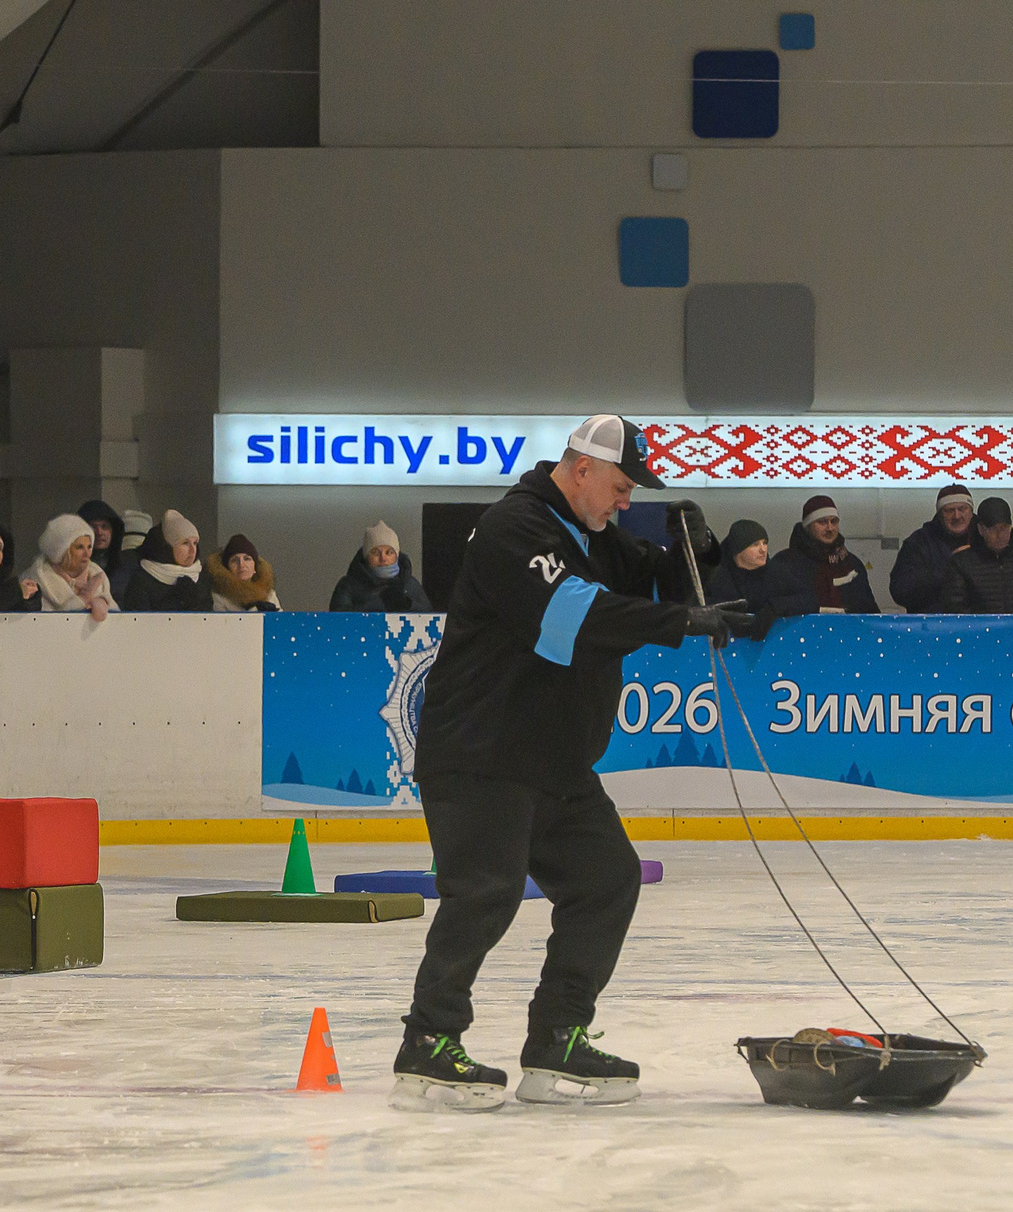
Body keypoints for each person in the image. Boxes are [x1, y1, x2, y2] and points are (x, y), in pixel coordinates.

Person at [393, 413, 746, 1113]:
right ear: (580, 468)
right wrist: (678, 626)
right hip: (482, 755)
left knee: (607, 878)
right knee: (486, 892)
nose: (625, 502)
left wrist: (691, 548)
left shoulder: (594, 537)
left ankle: (557, 1034)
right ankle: (428, 1043)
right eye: (619, 487)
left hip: (553, 763)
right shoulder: (513, 529)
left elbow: (652, 583)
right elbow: (571, 617)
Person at [938, 497, 1013, 613]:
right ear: (981, 529)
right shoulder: (961, 563)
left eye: (1004, 528)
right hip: (978, 632)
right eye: (993, 529)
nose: (1000, 534)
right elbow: (955, 607)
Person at [772, 494, 879, 612]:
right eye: (822, 522)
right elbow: (775, 607)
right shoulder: (785, 564)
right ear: (808, 526)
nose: (830, 528)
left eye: (834, 521)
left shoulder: (852, 564)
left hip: (847, 629)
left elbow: (868, 609)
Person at [889, 483, 975, 612]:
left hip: (979, 625)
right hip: (931, 626)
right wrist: (950, 568)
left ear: (971, 512)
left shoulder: (987, 539)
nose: (957, 516)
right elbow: (900, 590)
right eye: (949, 510)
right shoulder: (918, 543)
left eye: (962, 509)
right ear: (940, 514)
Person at [125, 510, 216, 612]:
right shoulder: (142, 580)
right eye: (185, 543)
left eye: (195, 543)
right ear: (168, 546)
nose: (192, 550)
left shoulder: (202, 578)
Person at [330, 520, 428, 612]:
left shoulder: (410, 585)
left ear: (396, 556)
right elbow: (339, 622)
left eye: (389, 552)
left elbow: (426, 620)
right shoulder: (348, 586)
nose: (383, 558)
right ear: (366, 557)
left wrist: (406, 604)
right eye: (376, 553)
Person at [33, 513, 116, 619]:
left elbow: (119, 619)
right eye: (80, 547)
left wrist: (103, 602)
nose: (87, 553)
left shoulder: (97, 576)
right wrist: (84, 597)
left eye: (89, 547)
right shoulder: (39, 580)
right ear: (63, 551)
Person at [208, 533, 280, 611]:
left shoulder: (269, 595)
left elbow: (281, 621)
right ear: (227, 568)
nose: (241, 565)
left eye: (247, 559)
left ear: (255, 568)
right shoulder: (219, 597)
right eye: (234, 560)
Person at [78, 501, 131, 600]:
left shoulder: (127, 567)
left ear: (113, 531)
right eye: (93, 527)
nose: (99, 532)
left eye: (104, 527)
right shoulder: (71, 568)